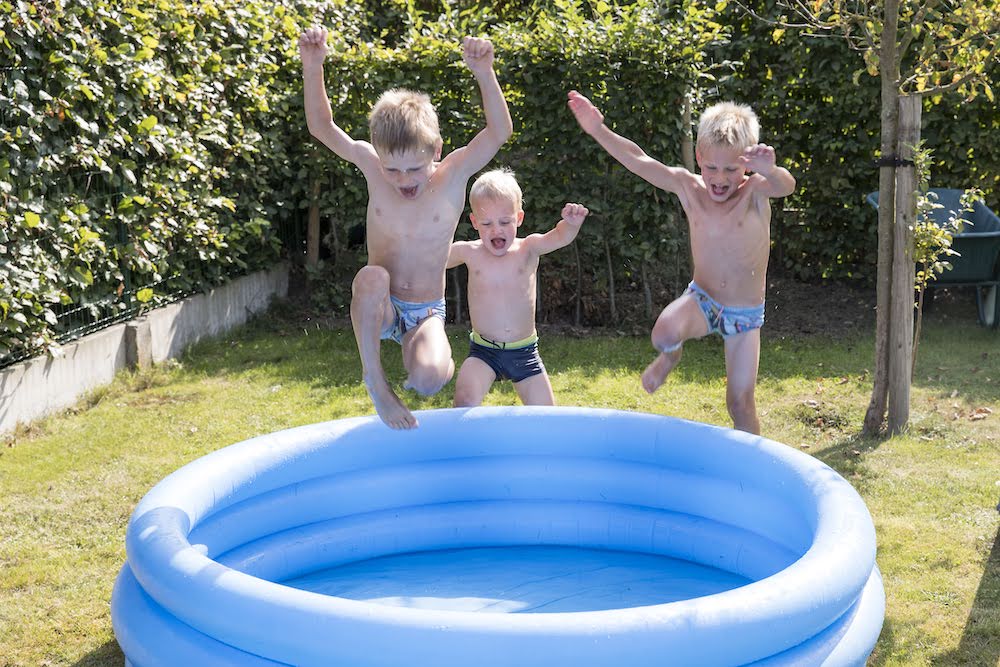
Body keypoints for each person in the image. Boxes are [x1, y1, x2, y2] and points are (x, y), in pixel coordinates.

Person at [299, 27, 512, 429]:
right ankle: (376, 382)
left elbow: (498, 132)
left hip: (425, 310)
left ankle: (420, 367)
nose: (403, 179)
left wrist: (485, 72)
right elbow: (322, 128)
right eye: (392, 168)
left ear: (436, 150)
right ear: (378, 157)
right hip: (381, 305)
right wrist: (313, 67)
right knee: (372, 277)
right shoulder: (371, 166)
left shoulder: (452, 174)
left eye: (414, 167)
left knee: (430, 379)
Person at [567, 91, 795, 434]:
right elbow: (639, 160)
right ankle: (671, 357)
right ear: (699, 157)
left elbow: (785, 186)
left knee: (740, 402)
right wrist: (598, 130)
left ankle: (749, 472)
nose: (719, 178)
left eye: (731, 169)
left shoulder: (756, 192)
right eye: (711, 167)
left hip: (745, 316)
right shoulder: (689, 188)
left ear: (747, 165)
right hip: (702, 300)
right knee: (664, 332)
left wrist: (772, 169)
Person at [447, 169, 589, 407]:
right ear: (474, 222)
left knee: (546, 417)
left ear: (519, 218)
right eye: (487, 223)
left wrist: (571, 225)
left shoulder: (529, 248)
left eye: (505, 222)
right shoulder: (470, 252)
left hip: (525, 353)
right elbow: (434, 259)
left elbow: (558, 237)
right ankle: (464, 444)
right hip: (484, 352)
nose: (496, 230)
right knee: (464, 401)